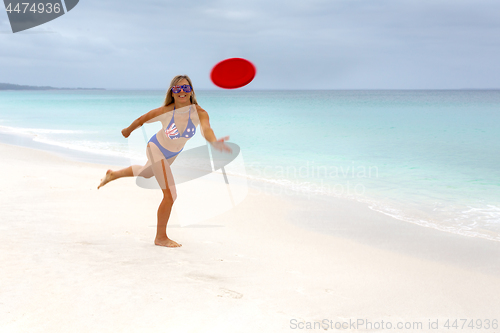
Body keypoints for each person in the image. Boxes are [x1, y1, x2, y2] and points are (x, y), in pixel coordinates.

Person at [97, 75, 232, 247]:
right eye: (178, 89)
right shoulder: (166, 111)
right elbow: (142, 119)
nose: (182, 92)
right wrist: (128, 130)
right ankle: (160, 237)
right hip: (156, 148)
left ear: (191, 91)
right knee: (170, 195)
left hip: (172, 154)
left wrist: (213, 142)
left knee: (146, 174)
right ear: (172, 93)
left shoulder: (200, 113)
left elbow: (206, 129)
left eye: (186, 88)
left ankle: (113, 175)